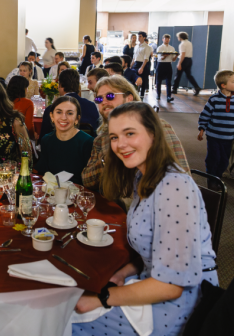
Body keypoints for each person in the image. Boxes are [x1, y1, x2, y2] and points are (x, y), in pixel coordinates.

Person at [73, 102, 217, 336]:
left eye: (130, 133)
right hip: (150, 284)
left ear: (153, 134)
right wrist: (125, 271)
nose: (120, 145)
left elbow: (171, 286)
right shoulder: (143, 177)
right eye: (114, 137)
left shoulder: (174, 186)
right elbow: (157, 250)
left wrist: (103, 298)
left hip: (178, 308)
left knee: (60, 321)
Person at [81, 76, 190, 190]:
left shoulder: (157, 128)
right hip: (119, 204)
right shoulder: (102, 138)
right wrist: (105, 161)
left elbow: (182, 175)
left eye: (110, 96)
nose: (104, 102)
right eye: (99, 99)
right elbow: (87, 180)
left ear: (129, 98)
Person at [36, 96, 93, 185]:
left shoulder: (87, 142)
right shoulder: (46, 140)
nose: (63, 117)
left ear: (77, 119)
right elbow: (44, 174)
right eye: (59, 112)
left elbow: (90, 181)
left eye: (70, 113)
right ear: (52, 116)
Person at [39, 69, 100, 143]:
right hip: (86, 151)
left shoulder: (52, 109)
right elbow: (96, 134)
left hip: (58, 151)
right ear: (78, 86)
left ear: (60, 85)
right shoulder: (91, 106)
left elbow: (43, 140)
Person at [197, 70, 234, 188]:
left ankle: (217, 177)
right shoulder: (214, 99)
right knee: (213, 159)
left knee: (224, 161)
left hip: (228, 138)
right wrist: (202, 128)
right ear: (223, 85)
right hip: (214, 136)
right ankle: (212, 180)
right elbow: (205, 115)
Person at [172, 31, 202, 96]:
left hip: (183, 60)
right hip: (189, 60)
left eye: (178, 37)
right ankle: (196, 87)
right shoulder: (189, 43)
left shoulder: (182, 44)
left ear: (180, 37)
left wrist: (179, 63)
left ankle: (174, 89)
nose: (178, 38)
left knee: (178, 75)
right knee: (189, 75)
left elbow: (183, 54)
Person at [156, 34, 178, 102]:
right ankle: (158, 95)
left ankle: (169, 96)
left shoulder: (172, 48)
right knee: (158, 81)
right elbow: (159, 59)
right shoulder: (160, 48)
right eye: (165, 39)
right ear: (163, 39)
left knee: (168, 81)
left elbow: (173, 60)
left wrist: (176, 56)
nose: (167, 40)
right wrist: (165, 56)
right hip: (160, 65)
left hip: (168, 65)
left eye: (168, 39)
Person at [131, 31, 152, 97]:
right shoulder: (136, 46)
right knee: (134, 79)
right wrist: (131, 66)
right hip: (136, 64)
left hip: (143, 64)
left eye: (140, 36)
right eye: (138, 36)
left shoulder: (147, 47)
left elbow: (146, 58)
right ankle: (135, 95)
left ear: (144, 37)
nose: (138, 38)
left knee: (143, 81)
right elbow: (134, 57)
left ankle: (142, 96)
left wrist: (142, 67)